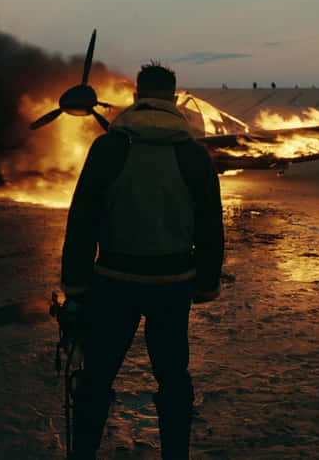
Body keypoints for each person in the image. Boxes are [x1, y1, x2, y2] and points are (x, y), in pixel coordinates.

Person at [60, 62, 224, 459]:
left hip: (113, 282)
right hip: (173, 285)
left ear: (136, 96)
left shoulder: (108, 146)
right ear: (173, 97)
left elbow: (82, 218)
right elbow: (210, 225)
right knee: (172, 378)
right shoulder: (194, 153)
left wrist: (76, 286)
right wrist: (205, 283)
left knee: (96, 377)